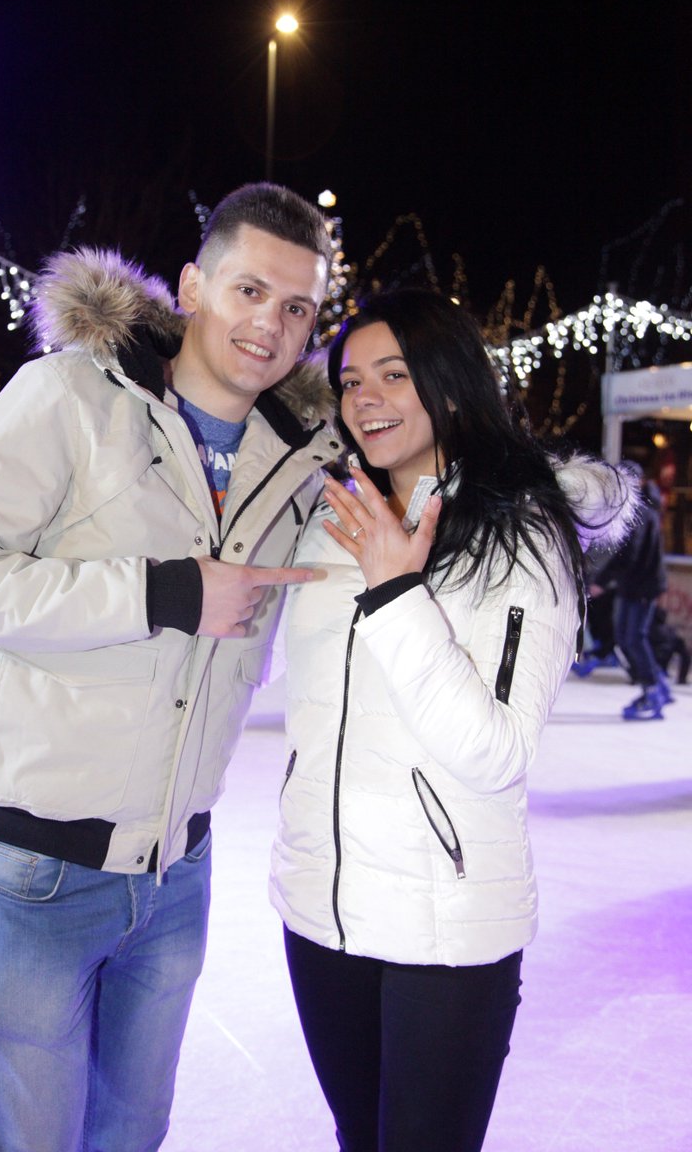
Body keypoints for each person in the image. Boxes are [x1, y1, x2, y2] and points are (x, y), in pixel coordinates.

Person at [0, 182, 341, 1152]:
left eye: (296, 307)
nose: (269, 324)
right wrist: (163, 593)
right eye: (248, 290)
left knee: (131, 1137)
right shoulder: (69, 395)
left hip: (175, 872)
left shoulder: (293, 460)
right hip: (35, 868)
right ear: (192, 286)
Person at [269, 288, 636, 1152]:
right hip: (320, 909)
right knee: (359, 1136)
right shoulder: (334, 520)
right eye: (351, 381)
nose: (366, 399)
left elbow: (495, 751)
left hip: (447, 929)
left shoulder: (522, 538)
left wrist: (397, 589)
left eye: (394, 375)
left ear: (451, 382)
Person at [587, 462, 669, 719]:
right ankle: (658, 685)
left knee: (633, 638)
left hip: (642, 586)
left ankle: (653, 690)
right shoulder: (637, 509)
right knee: (626, 637)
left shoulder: (640, 511)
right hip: (632, 585)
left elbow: (630, 554)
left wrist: (602, 581)